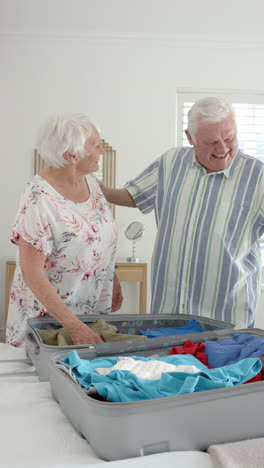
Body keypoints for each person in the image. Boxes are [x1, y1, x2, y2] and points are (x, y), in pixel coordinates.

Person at [101, 97, 264, 328]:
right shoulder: (171, 162)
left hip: (226, 319)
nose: (223, 149)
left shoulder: (258, 177)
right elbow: (135, 195)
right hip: (168, 314)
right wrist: (99, 192)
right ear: (190, 137)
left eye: (229, 138)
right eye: (212, 141)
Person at [6, 113, 123, 347]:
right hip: (47, 324)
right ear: (71, 155)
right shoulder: (39, 199)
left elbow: (99, 240)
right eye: (96, 146)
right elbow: (32, 273)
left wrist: (113, 279)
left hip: (88, 314)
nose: (101, 151)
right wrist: (75, 327)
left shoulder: (91, 183)